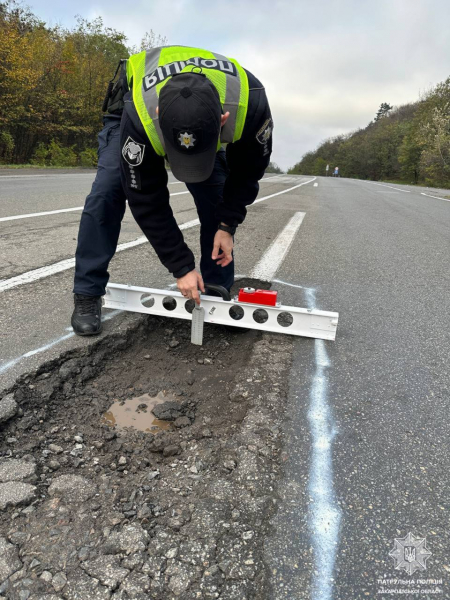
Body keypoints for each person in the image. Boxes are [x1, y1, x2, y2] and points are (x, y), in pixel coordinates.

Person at [71, 45, 273, 335]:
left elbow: (247, 172)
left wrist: (227, 225)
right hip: (130, 112)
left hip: (201, 115)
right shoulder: (141, 115)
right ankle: (87, 293)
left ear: (223, 120)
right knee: (108, 191)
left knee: (216, 198)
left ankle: (216, 291)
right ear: (157, 116)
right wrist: (181, 265)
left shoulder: (250, 105)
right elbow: (145, 197)